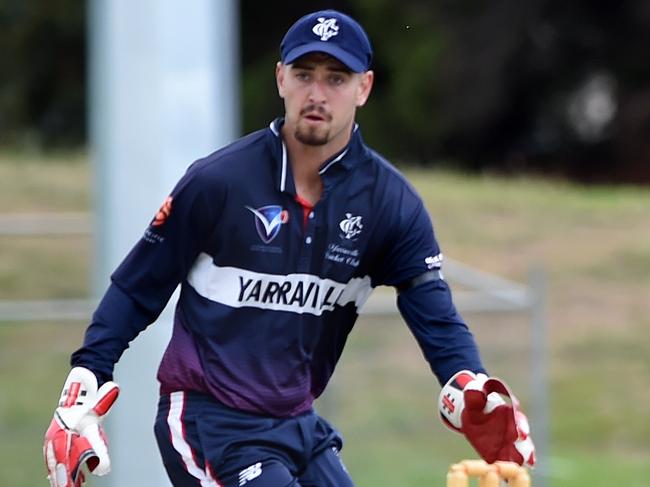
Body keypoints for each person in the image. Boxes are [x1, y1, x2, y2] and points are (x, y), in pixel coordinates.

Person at [43, 9, 535, 487]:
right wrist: (86, 376)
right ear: (281, 79)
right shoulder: (218, 182)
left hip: (299, 425)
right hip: (209, 422)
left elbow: (433, 309)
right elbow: (137, 287)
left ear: (364, 87)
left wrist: (466, 381)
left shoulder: (392, 204)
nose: (316, 93)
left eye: (336, 79)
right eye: (304, 74)